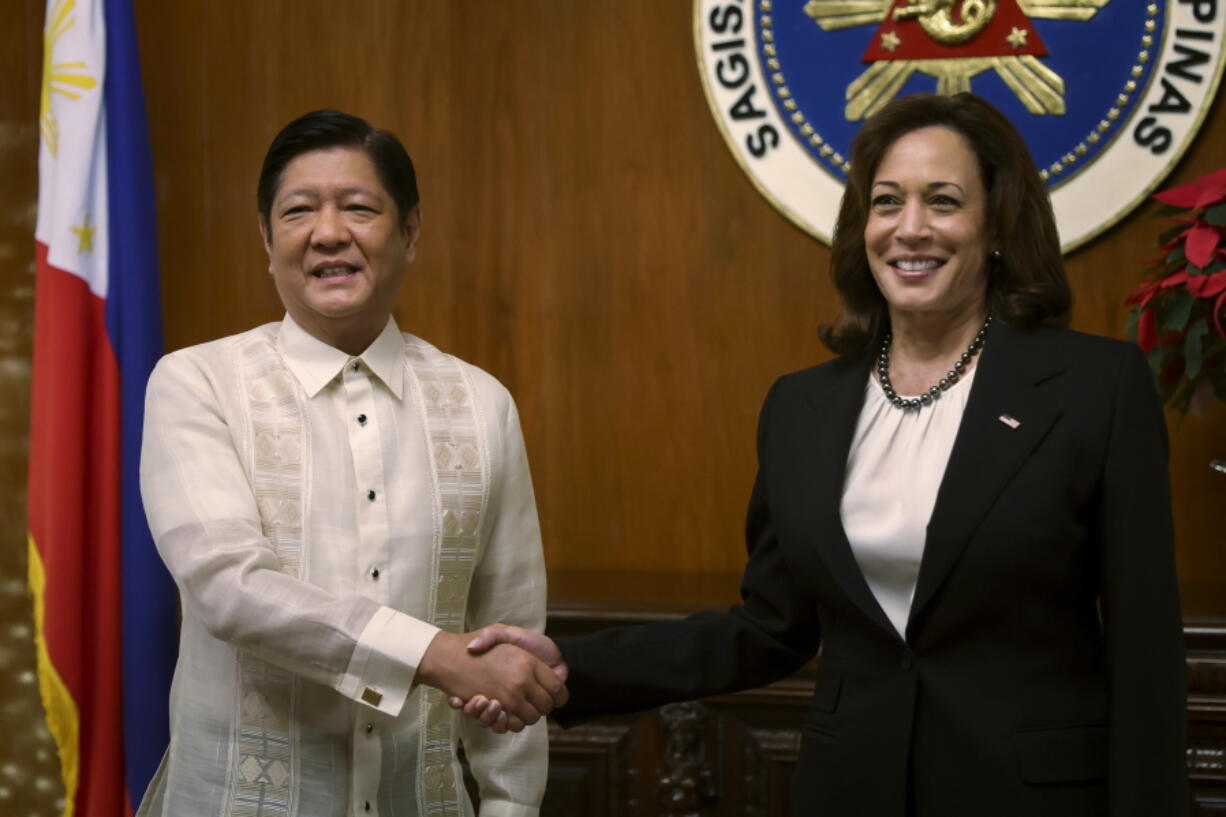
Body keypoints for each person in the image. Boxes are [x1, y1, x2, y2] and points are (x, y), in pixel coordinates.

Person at [454, 93, 1188, 816]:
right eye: (886, 202)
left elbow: (1144, 649)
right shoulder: (802, 407)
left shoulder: (1096, 387)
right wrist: (571, 666)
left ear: (995, 223)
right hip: (851, 787)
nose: (909, 228)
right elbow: (768, 629)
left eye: (942, 200)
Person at [138, 110, 565, 817]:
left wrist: (510, 804)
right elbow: (228, 586)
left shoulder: (482, 403)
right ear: (266, 239)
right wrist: (432, 653)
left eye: (360, 208)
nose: (328, 232)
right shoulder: (196, 383)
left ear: (411, 231)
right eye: (299, 210)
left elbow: (508, 627)